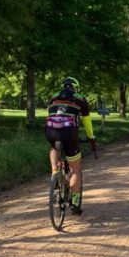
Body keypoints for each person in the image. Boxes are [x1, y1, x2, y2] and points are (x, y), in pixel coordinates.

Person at [45, 77, 97, 214]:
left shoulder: (53, 96)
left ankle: (55, 173)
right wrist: (91, 138)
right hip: (69, 133)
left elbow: (50, 114)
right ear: (76, 88)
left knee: (54, 147)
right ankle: (75, 203)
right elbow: (87, 121)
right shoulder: (80, 98)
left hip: (51, 131)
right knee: (75, 169)